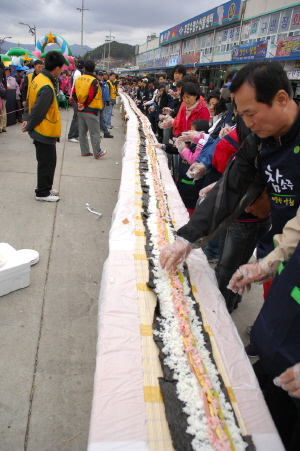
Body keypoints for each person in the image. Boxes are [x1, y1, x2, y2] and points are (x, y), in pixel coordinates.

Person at [159, 61, 300, 280]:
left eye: (251, 113)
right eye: (241, 115)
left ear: (281, 99)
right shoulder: (257, 142)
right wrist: (186, 239)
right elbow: (230, 188)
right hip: (278, 248)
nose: (247, 124)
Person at [22, 51, 66, 202]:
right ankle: (42, 192)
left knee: (48, 160)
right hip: (44, 130)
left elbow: (29, 101)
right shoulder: (47, 85)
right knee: (46, 162)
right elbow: (39, 110)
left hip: (42, 129)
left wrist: (26, 118)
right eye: (61, 69)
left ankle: (46, 187)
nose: (61, 72)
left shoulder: (38, 78)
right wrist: (28, 124)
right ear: (57, 68)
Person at [73, 59, 107, 159]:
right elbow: (92, 94)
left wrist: (79, 103)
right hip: (91, 110)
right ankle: (97, 152)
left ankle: (85, 151)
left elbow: (74, 92)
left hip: (80, 110)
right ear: (94, 69)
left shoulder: (79, 79)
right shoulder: (94, 81)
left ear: (84, 68)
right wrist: (85, 104)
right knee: (94, 133)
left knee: (82, 133)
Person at [67, 58, 85, 143]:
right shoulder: (78, 73)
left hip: (75, 96)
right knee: (76, 116)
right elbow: (76, 86)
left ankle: (76, 134)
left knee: (79, 116)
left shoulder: (77, 72)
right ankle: (71, 135)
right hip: (76, 97)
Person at [96, 71, 113, 138]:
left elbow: (105, 93)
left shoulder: (103, 83)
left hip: (102, 103)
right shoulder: (97, 83)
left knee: (102, 119)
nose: (101, 76)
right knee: (98, 119)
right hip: (97, 103)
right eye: (99, 75)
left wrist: (107, 101)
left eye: (102, 75)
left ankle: (105, 132)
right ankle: (100, 133)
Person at [0, 56, 7, 133]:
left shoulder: (0, 70)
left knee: (1, 111)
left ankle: (1, 127)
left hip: (1, 94)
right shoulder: (2, 68)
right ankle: (4, 126)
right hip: (4, 93)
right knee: (3, 110)